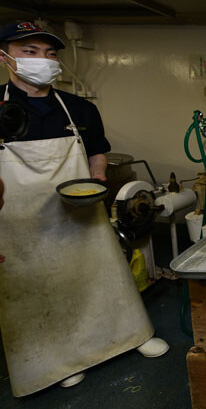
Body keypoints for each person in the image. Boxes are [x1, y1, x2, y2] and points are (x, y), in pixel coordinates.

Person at [0, 22, 168, 397]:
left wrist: (97, 179)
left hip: (80, 212)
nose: (43, 60)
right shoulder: (0, 107)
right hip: (19, 225)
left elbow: (96, 150)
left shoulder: (79, 108)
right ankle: (57, 363)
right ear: (5, 57)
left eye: (50, 53)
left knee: (102, 276)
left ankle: (130, 337)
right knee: (41, 292)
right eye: (30, 51)